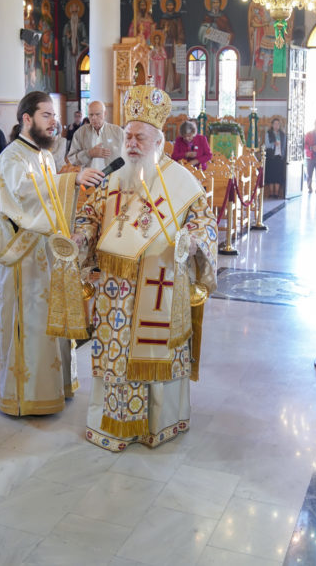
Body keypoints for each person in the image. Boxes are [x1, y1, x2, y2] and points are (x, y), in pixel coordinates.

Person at [73, 85, 217, 451]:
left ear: (159, 141)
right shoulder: (114, 175)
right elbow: (90, 215)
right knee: (116, 355)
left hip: (160, 285)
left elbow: (204, 223)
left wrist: (194, 241)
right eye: (128, 135)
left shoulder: (181, 182)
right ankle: (114, 423)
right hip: (114, 293)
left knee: (154, 355)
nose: (132, 143)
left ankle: (159, 424)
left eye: (140, 137)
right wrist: (80, 237)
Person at [0, 92, 104, 416]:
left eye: (54, 116)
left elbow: (52, 196)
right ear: (27, 119)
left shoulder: (45, 157)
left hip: (48, 253)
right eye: (46, 116)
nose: (54, 122)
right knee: (30, 323)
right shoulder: (11, 157)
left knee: (51, 321)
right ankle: (24, 395)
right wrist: (71, 180)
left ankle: (54, 385)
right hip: (22, 257)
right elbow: (23, 199)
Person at [67, 100, 124, 171]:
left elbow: (127, 157)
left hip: (113, 178)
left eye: (97, 114)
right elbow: (72, 159)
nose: (93, 118)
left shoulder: (118, 132)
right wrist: (89, 153)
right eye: (91, 115)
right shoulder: (80, 133)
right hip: (88, 179)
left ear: (105, 114)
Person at [62, 0, 87, 96]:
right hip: (69, 52)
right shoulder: (67, 26)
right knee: (70, 69)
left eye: (76, 12)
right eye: (72, 12)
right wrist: (68, 38)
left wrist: (81, 41)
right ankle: (70, 89)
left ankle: (77, 88)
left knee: (78, 68)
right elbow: (63, 39)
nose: (74, 14)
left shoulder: (81, 25)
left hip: (79, 50)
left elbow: (85, 37)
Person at [264, 117, 286, 197]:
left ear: (280, 125)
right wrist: (274, 144)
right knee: (271, 176)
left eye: (278, 124)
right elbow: (267, 145)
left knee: (278, 176)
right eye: (275, 124)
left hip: (279, 157)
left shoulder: (282, 134)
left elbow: (284, 146)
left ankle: (276, 193)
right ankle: (271, 193)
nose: (276, 125)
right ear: (272, 125)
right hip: (271, 157)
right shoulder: (268, 133)